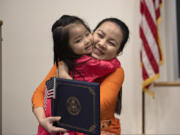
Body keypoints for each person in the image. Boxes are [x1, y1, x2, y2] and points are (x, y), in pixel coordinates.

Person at [32, 15, 129, 135]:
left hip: (102, 130)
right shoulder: (66, 61)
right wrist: (43, 121)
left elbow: (95, 105)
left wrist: (67, 81)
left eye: (111, 43)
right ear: (92, 33)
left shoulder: (116, 71)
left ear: (118, 52)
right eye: (100, 35)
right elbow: (39, 94)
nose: (102, 43)